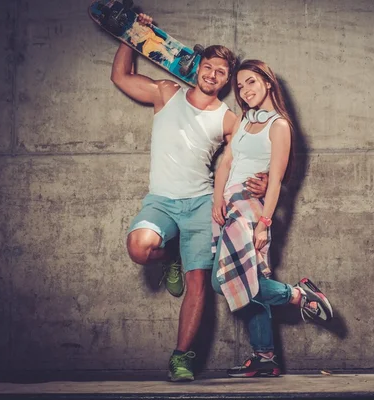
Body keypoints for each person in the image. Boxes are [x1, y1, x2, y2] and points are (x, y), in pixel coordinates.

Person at [110, 14, 267, 382]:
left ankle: (181, 357)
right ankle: (171, 259)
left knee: (199, 283)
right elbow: (121, 77)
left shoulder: (229, 119)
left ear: (227, 81)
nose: (212, 75)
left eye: (221, 72)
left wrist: (263, 182)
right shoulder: (167, 93)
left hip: (200, 205)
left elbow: (252, 153)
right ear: (198, 68)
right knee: (139, 248)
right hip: (161, 201)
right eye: (208, 67)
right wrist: (134, 35)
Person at [211, 59, 334, 378]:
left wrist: (264, 223)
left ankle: (297, 295)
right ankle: (265, 356)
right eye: (239, 86)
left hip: (251, 209)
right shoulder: (244, 119)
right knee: (251, 280)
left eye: (251, 82)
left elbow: (276, 180)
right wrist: (216, 201)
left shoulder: (278, 125)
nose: (244, 90)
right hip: (228, 207)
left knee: (224, 280)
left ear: (267, 82)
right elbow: (226, 162)